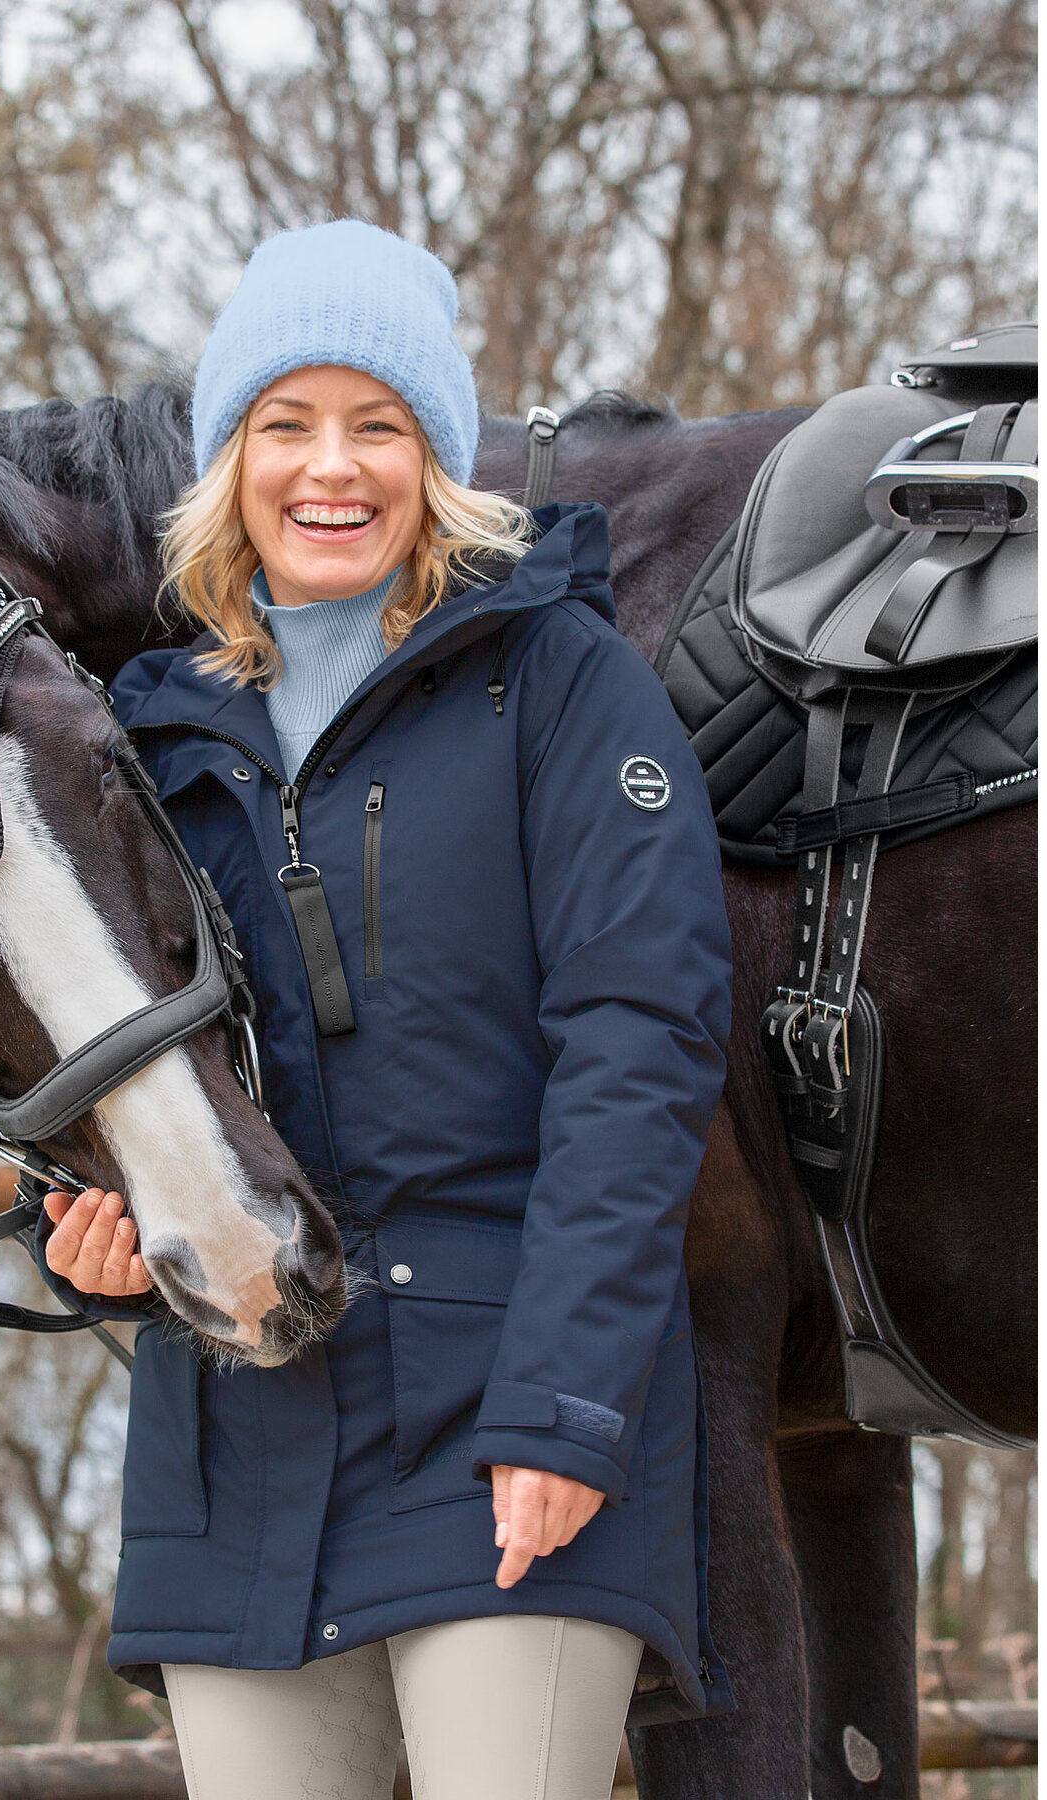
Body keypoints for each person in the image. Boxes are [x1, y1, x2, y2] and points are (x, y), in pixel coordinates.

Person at [36, 219, 734, 1800]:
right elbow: (105, 1065)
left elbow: (639, 1052)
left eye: (379, 424)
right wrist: (85, 1235)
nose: (328, 468)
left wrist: (564, 1413)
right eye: (284, 424)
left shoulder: (560, 680)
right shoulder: (144, 746)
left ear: (440, 457)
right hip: (237, 1440)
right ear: (230, 461)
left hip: (504, 1404)